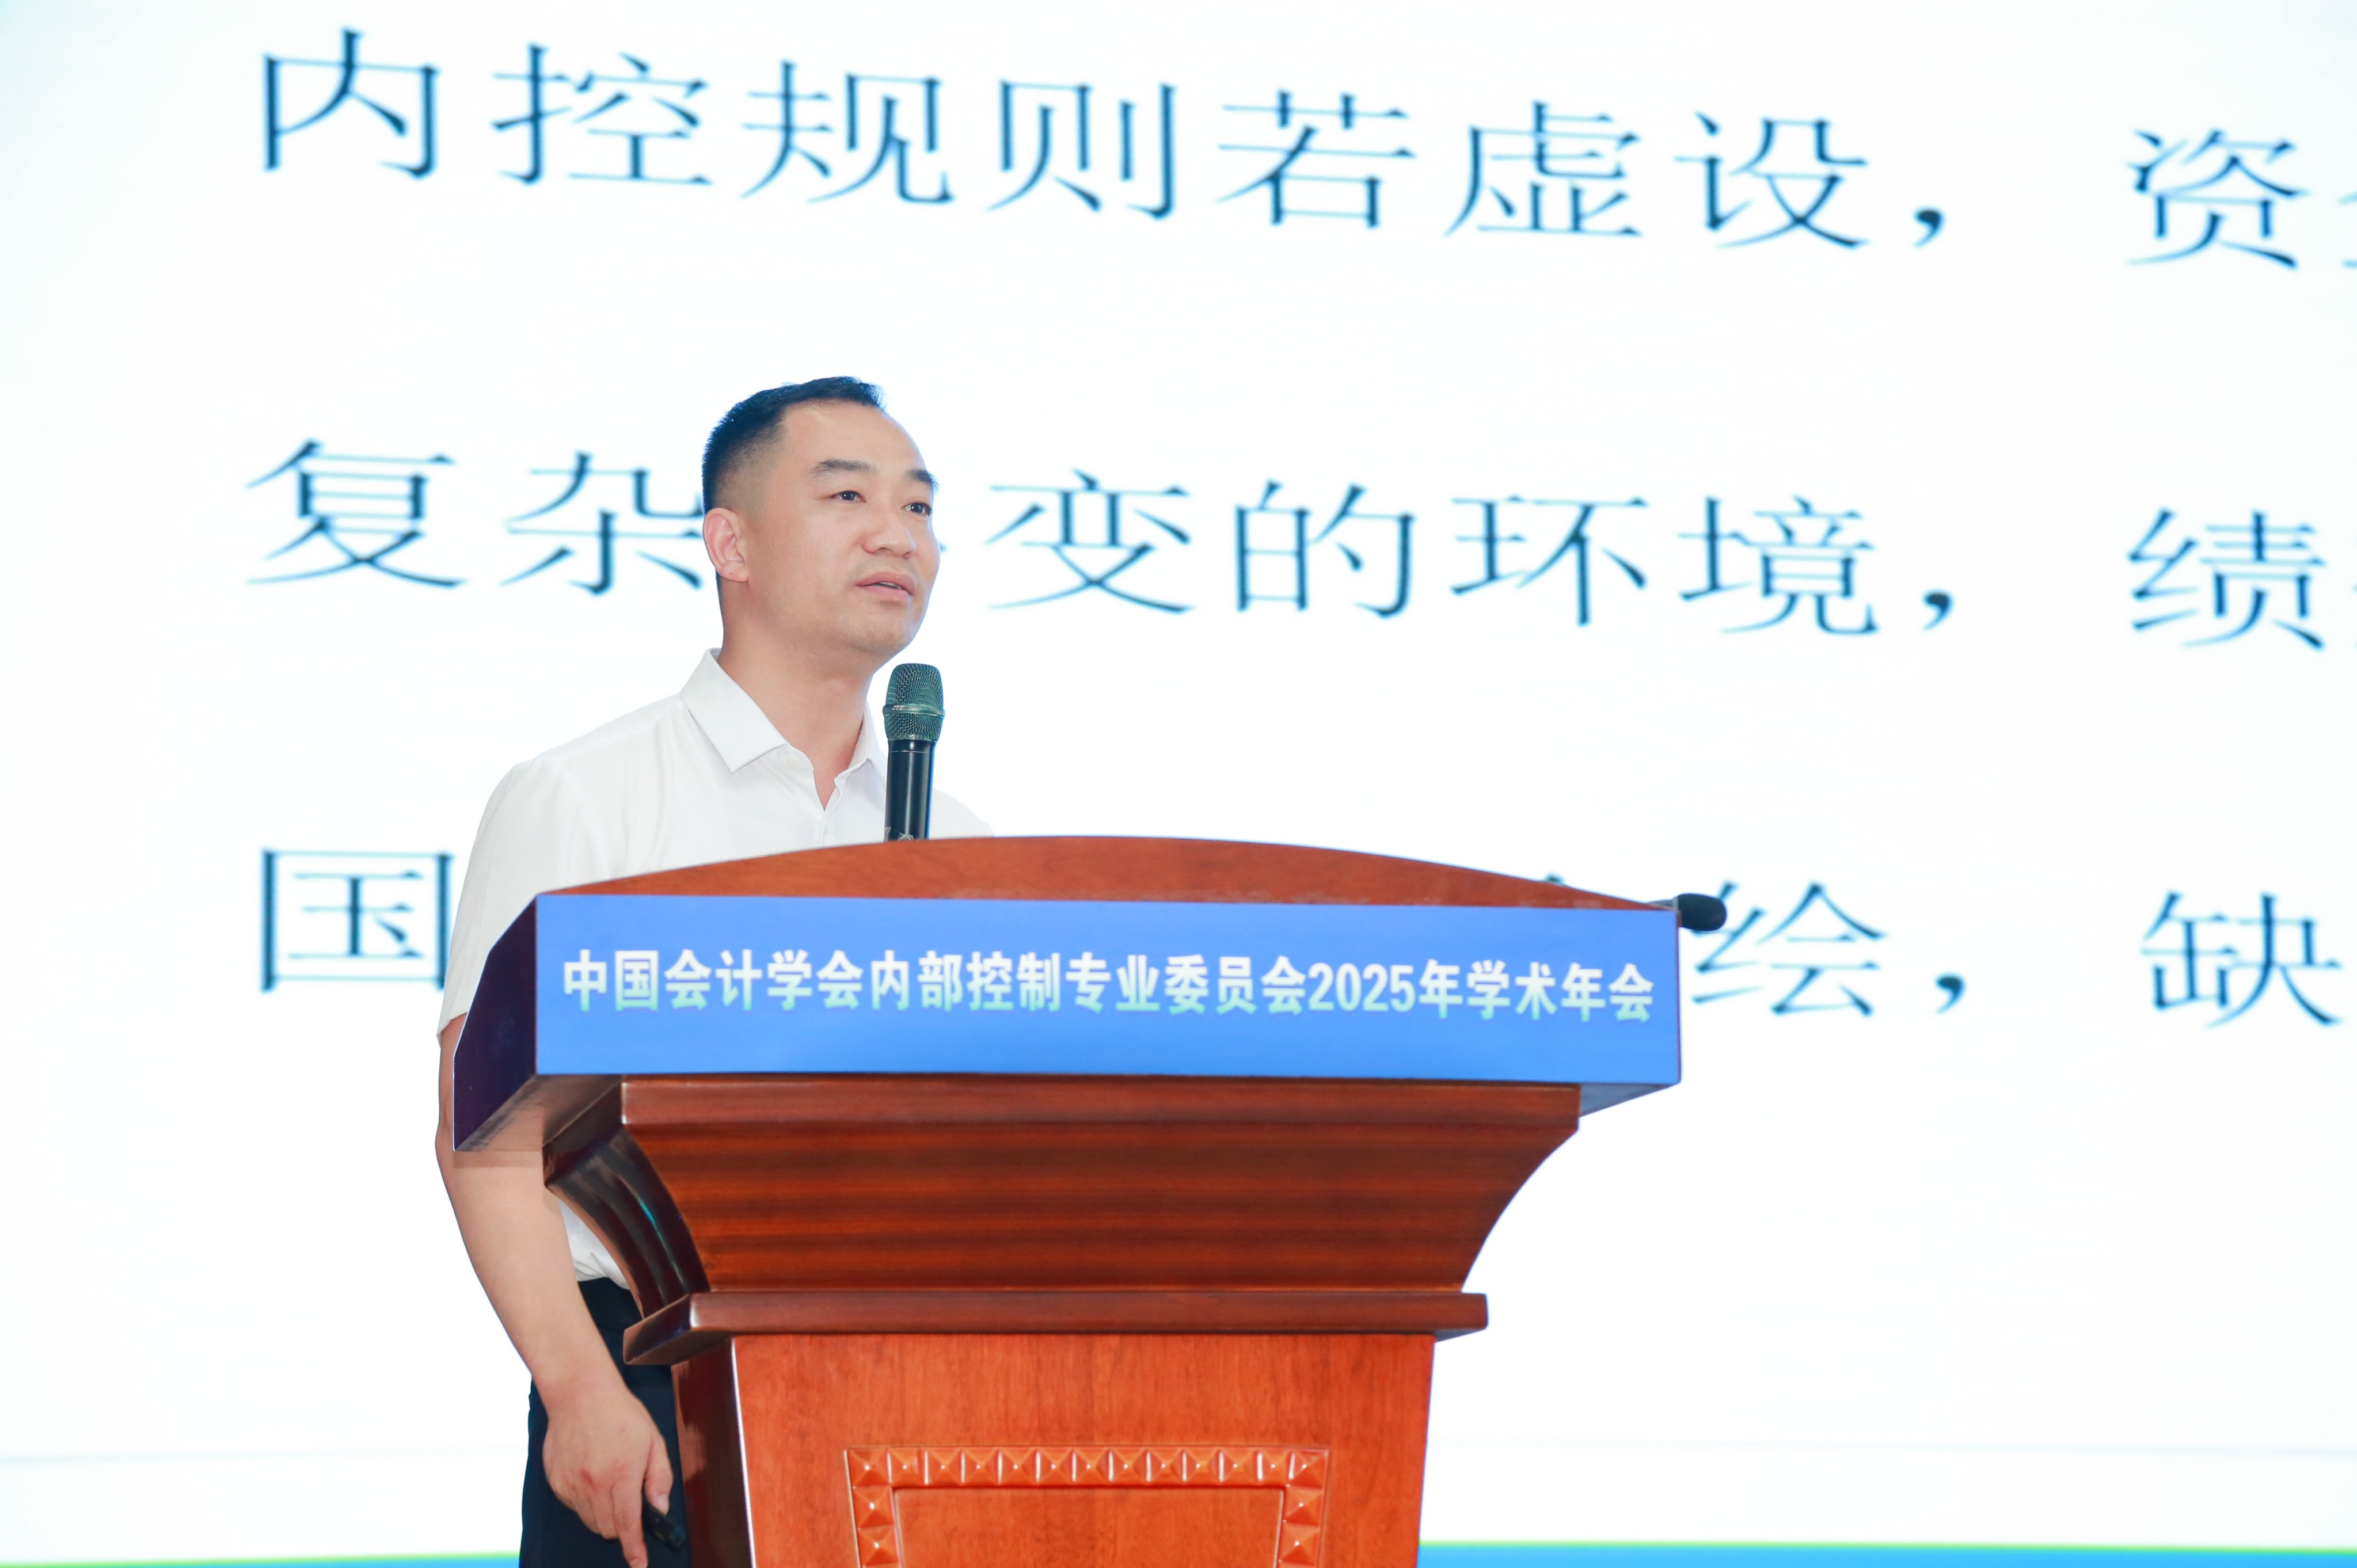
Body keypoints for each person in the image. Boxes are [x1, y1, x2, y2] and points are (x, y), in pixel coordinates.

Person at [431, 378, 988, 1568]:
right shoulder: (588, 797)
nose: (898, 535)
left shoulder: (961, 842)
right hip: (647, 1376)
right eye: (847, 497)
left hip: (900, 1386)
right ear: (729, 544)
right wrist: (579, 1388)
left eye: (919, 507)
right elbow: (486, 1138)